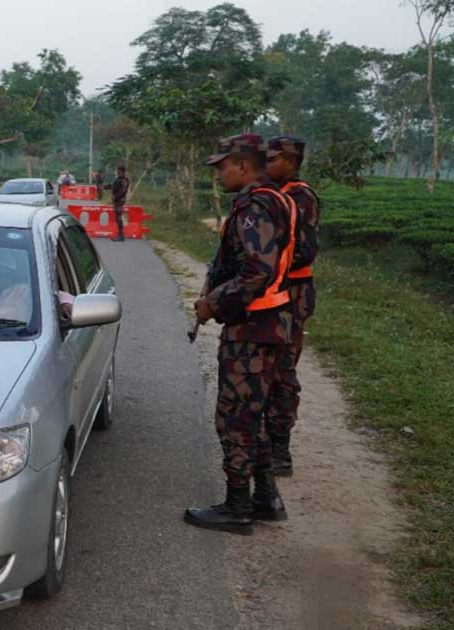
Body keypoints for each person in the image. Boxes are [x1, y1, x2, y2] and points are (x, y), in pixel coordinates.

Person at [186, 133, 298, 535]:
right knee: (255, 412)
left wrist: (214, 303)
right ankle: (265, 497)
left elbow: (258, 270)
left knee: (235, 417)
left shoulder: (254, 206)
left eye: (222, 166)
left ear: (243, 165)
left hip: (253, 328)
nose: (218, 174)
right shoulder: (275, 199)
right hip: (268, 324)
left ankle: (237, 506)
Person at [265, 136, 319, 478]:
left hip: (293, 292)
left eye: (272, 159)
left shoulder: (299, 197)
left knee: (282, 370)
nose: (267, 165)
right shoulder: (276, 193)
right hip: (278, 290)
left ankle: (279, 450)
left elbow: (303, 250)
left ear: (289, 160)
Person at [109, 166, 130, 241]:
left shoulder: (124, 179)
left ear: (122, 171)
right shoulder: (118, 179)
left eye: (118, 171)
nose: (117, 172)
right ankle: (120, 235)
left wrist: (116, 197)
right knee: (117, 217)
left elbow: (123, 190)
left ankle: (121, 236)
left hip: (120, 200)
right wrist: (107, 186)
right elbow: (114, 186)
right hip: (117, 200)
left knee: (119, 217)